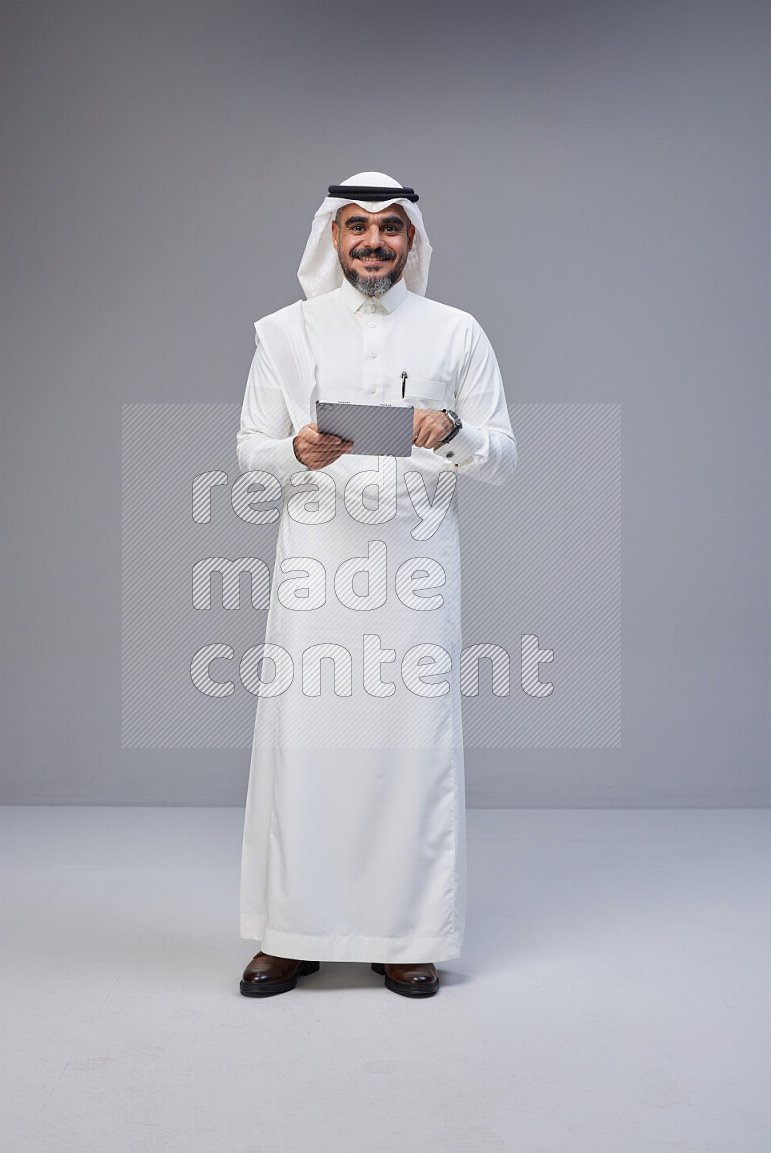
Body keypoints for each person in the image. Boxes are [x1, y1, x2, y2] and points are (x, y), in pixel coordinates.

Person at [236, 171, 517, 998]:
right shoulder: (287, 334)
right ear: (331, 236)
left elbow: (504, 455)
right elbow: (250, 449)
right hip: (315, 572)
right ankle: (289, 933)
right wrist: (296, 451)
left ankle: (407, 933)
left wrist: (456, 433)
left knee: (411, 745)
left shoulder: (456, 332)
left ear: (412, 240)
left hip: (415, 573)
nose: (372, 241)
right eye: (355, 225)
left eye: (390, 228)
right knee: (305, 743)